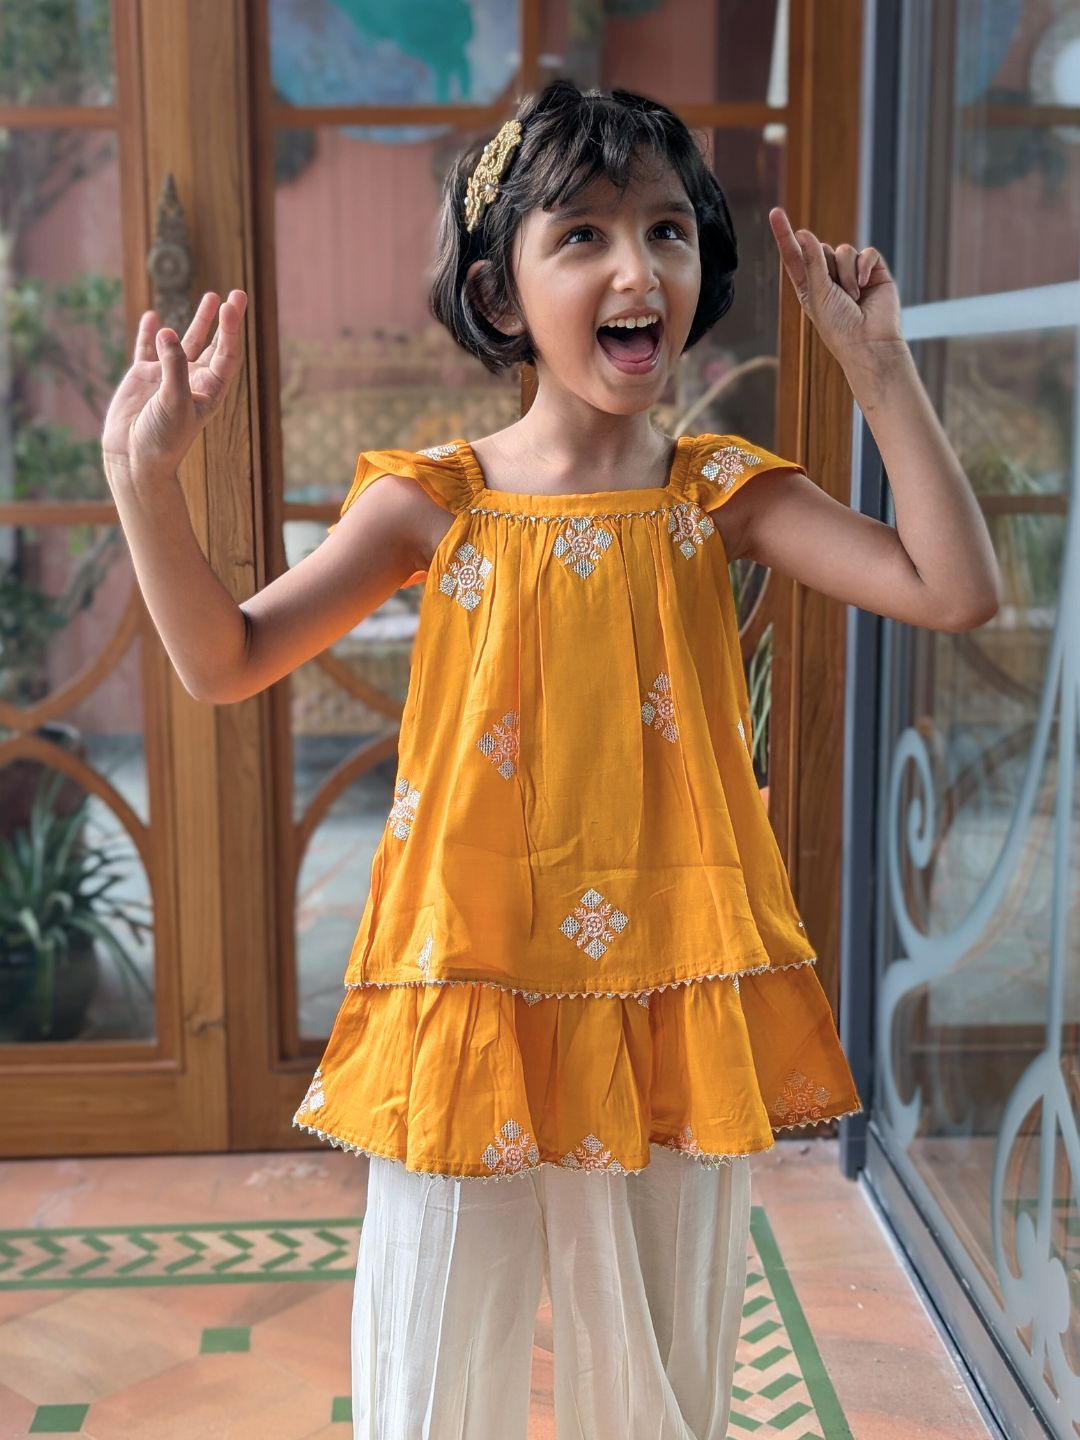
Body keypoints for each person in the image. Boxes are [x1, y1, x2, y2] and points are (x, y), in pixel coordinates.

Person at [101, 78, 1001, 1440]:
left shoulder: (725, 494)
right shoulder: (431, 499)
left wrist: (880, 372)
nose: (637, 266)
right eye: (580, 234)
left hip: (671, 987)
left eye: (666, 231)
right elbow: (223, 660)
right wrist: (141, 480)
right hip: (469, 977)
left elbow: (953, 592)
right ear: (502, 296)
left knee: (662, 1354)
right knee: (434, 1348)